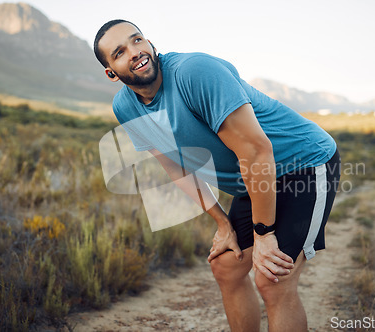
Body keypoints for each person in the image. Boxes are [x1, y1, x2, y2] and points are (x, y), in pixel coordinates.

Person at [94, 19, 341, 332]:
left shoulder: (195, 72)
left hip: (303, 163)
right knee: (226, 266)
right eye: (119, 52)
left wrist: (264, 234)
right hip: (253, 176)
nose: (135, 52)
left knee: (273, 279)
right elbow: (175, 166)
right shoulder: (126, 107)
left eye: (137, 40)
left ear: (150, 43)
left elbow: (256, 151)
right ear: (111, 72)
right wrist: (222, 223)